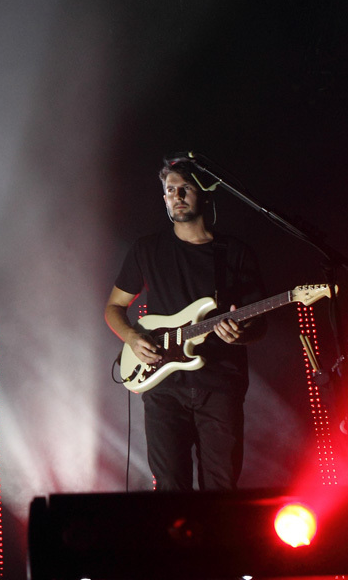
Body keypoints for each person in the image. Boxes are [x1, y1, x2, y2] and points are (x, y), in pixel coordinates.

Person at [103, 160, 265, 491]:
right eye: (170, 190)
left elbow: (260, 325)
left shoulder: (235, 253)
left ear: (204, 194)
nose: (176, 196)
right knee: (170, 488)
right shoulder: (147, 249)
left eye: (185, 188)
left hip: (221, 383)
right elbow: (114, 308)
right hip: (163, 385)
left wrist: (240, 335)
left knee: (221, 488)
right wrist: (132, 337)